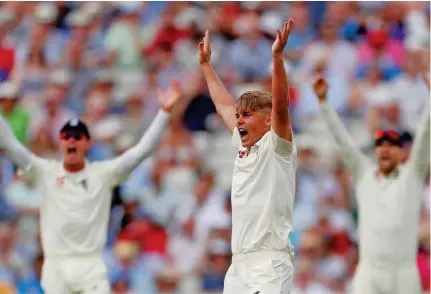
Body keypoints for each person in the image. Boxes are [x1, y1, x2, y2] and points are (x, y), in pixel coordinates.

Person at [0, 80, 182, 294]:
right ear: (60, 143)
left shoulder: (102, 174)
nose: (72, 141)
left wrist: (164, 113)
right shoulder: (46, 172)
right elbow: (11, 145)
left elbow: (140, 152)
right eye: (66, 137)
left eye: (78, 137)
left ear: (87, 143)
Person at [198, 19, 297, 294]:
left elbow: (280, 106)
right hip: (239, 262)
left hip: (269, 261)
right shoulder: (244, 146)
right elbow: (223, 104)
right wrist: (207, 66)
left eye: (247, 115)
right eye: (239, 116)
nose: (239, 120)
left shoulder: (278, 147)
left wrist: (277, 58)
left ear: (267, 121)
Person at [312, 75, 430, 294]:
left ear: (401, 151)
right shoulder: (364, 174)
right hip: (370, 271)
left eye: (392, 146)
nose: (385, 150)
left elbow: (424, 138)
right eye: (381, 146)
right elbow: (343, 142)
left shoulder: (412, 176)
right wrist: (324, 104)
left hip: (403, 273)